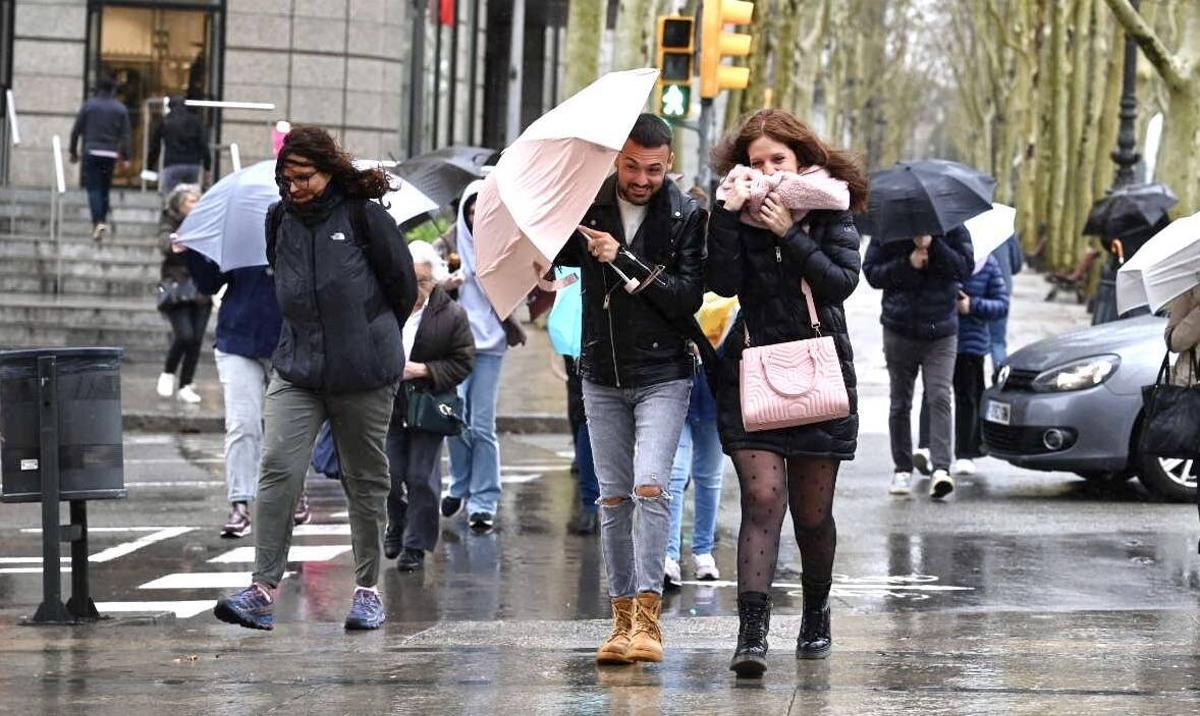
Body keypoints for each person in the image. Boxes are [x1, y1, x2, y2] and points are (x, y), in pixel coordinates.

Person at [213, 126, 416, 632]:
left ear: (329, 171)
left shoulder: (363, 216)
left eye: (304, 177)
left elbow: (403, 287)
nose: (294, 185)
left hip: (364, 370)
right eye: (287, 176)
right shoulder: (279, 218)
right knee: (278, 465)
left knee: (364, 479)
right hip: (298, 366)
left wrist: (369, 333)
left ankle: (368, 590)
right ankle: (262, 590)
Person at [706, 109, 866, 676]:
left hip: (819, 371)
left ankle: (816, 611)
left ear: (801, 160)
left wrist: (788, 233)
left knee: (812, 513)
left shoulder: (829, 208)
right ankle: (752, 633)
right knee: (764, 499)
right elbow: (721, 285)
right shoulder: (730, 211)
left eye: (778, 160)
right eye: (756, 163)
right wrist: (727, 216)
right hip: (753, 374)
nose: (767, 172)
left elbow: (840, 284)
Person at [555, 114, 705, 666]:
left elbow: (687, 297)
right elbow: (557, 257)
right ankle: (619, 623)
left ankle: (650, 621)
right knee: (612, 497)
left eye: (654, 169)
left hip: (664, 371)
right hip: (599, 370)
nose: (642, 179)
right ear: (617, 159)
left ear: (668, 164)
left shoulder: (686, 214)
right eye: (632, 167)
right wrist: (558, 234)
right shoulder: (588, 205)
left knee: (649, 486)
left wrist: (622, 257)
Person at [181, 223, 296, 537]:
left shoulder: (301, 231)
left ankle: (294, 494)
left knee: (286, 427)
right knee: (242, 425)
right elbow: (209, 283)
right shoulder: (240, 234)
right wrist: (192, 252)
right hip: (239, 340)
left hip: (288, 343)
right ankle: (239, 505)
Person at [864, 217, 974, 499]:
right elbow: (873, 273)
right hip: (899, 328)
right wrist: (908, 263)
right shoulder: (888, 229)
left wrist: (934, 245)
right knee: (900, 400)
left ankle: (941, 468)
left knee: (939, 395)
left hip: (941, 331)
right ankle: (902, 468)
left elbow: (963, 267)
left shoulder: (953, 227)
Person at [384, 241, 475, 572]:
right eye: (411, 280)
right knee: (391, 475)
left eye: (422, 280)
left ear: (435, 281)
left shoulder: (452, 315)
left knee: (421, 477)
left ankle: (416, 545)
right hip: (391, 404)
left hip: (429, 406)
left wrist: (424, 370)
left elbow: (464, 361)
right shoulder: (389, 307)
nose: (416, 288)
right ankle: (395, 523)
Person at [441, 183, 521, 531]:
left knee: (482, 426)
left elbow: (522, 286)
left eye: (481, 210)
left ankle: (484, 500)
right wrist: (447, 282)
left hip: (490, 346)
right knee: (455, 420)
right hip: (453, 346)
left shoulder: (502, 244)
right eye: (470, 210)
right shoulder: (447, 244)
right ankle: (459, 485)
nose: (475, 216)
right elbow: (422, 280)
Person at [664, 292, 737, 586]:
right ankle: (669, 555)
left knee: (709, 474)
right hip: (676, 379)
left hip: (715, 384)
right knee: (675, 473)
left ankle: (703, 551)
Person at [914, 256, 1010, 477]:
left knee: (967, 397)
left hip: (970, 344)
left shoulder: (989, 265)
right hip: (939, 338)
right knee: (934, 394)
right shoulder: (941, 258)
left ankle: (966, 452)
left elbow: (1001, 305)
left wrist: (972, 305)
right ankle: (927, 446)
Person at [155, 185, 210, 405]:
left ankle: (186, 384)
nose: (194, 205)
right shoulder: (170, 220)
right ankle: (168, 372)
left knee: (196, 339)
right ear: (179, 204)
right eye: (190, 201)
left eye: (197, 201)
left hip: (202, 286)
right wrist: (176, 242)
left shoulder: (206, 220)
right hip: (177, 286)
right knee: (184, 335)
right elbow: (164, 243)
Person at [69, 76, 132, 243]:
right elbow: (126, 135)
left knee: (94, 188)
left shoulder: (89, 106)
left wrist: (73, 151)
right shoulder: (120, 109)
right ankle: (102, 220)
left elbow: (76, 130)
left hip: (92, 151)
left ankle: (98, 221)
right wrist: (126, 156)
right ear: (113, 90)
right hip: (110, 153)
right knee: (105, 188)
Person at [147, 95, 211, 194]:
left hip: (172, 163)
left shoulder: (165, 121)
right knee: (190, 196)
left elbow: (155, 146)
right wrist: (207, 166)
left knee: (171, 197)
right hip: (192, 164)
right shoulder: (196, 121)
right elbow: (203, 144)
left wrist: (150, 166)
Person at [988, 234, 1023, 373]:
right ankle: (1000, 382)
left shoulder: (963, 220)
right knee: (997, 342)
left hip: (971, 292)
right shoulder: (1003, 225)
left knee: (968, 346)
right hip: (1000, 289)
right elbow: (1016, 264)